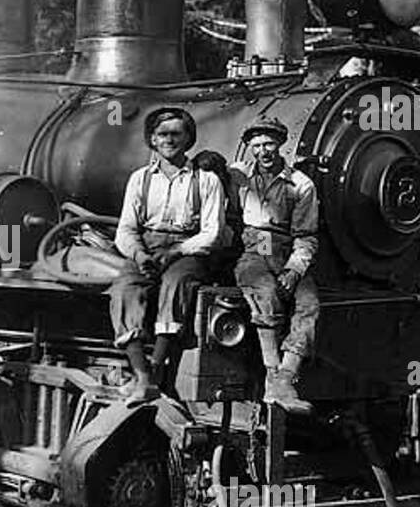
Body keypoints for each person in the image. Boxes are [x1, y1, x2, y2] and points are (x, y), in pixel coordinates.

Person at [110, 107, 229, 403]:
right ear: (152, 139)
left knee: (175, 286)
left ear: (189, 139)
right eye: (162, 134)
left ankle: (158, 366)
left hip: (189, 249)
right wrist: (138, 254)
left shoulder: (206, 181)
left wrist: (176, 251)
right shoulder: (140, 179)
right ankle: (143, 376)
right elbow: (125, 229)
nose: (169, 140)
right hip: (146, 248)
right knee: (124, 290)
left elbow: (212, 232)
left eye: (177, 134)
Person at [229, 116, 320, 413]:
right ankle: (271, 376)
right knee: (265, 293)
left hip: (285, 248)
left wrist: (294, 270)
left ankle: (286, 377)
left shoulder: (301, 184)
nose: (263, 151)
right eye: (256, 145)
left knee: (309, 303)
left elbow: (306, 235)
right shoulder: (239, 176)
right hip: (255, 246)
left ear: (281, 144)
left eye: (269, 144)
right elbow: (212, 170)